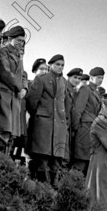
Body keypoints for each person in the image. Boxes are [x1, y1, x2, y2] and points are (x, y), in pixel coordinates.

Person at [26, 53, 71, 185]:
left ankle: (52, 187)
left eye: (62, 65)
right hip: (43, 124)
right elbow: (32, 101)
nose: (60, 67)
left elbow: (66, 103)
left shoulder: (64, 82)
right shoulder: (42, 79)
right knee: (42, 158)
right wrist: (40, 115)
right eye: (57, 64)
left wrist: (63, 118)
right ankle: (42, 187)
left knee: (56, 160)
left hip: (58, 125)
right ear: (50, 65)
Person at [0, 25, 26, 151]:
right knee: (2, 130)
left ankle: (4, 162)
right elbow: (5, 72)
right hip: (4, 95)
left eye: (23, 41)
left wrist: (25, 89)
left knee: (11, 135)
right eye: (19, 40)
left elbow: (23, 75)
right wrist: (20, 87)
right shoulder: (2, 51)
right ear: (10, 38)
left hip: (15, 98)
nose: (21, 43)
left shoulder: (19, 55)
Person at [69, 67, 106, 174]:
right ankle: (70, 186)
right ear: (91, 77)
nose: (101, 80)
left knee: (88, 163)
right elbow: (77, 110)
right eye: (98, 77)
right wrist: (76, 128)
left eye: (102, 78)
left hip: (91, 130)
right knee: (80, 162)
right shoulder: (85, 89)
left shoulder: (96, 92)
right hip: (84, 129)